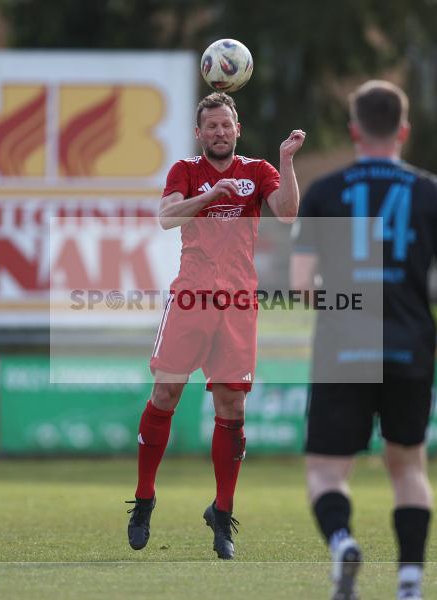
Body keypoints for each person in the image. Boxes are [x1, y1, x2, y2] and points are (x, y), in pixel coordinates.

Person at [290, 80, 437, 600]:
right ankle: (410, 582)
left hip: (342, 351)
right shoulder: (432, 192)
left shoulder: (325, 191)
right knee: (407, 466)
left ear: (354, 131)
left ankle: (344, 543)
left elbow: (302, 287)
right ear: (404, 131)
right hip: (410, 346)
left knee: (327, 471)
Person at [127, 92, 305, 559]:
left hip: (238, 303)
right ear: (199, 132)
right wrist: (209, 197)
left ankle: (222, 515)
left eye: (226, 125)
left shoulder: (258, 170)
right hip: (190, 296)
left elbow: (287, 213)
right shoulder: (185, 171)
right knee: (165, 393)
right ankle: (145, 499)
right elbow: (165, 218)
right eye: (211, 126)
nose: (220, 132)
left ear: (237, 129)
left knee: (232, 408)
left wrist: (287, 161)